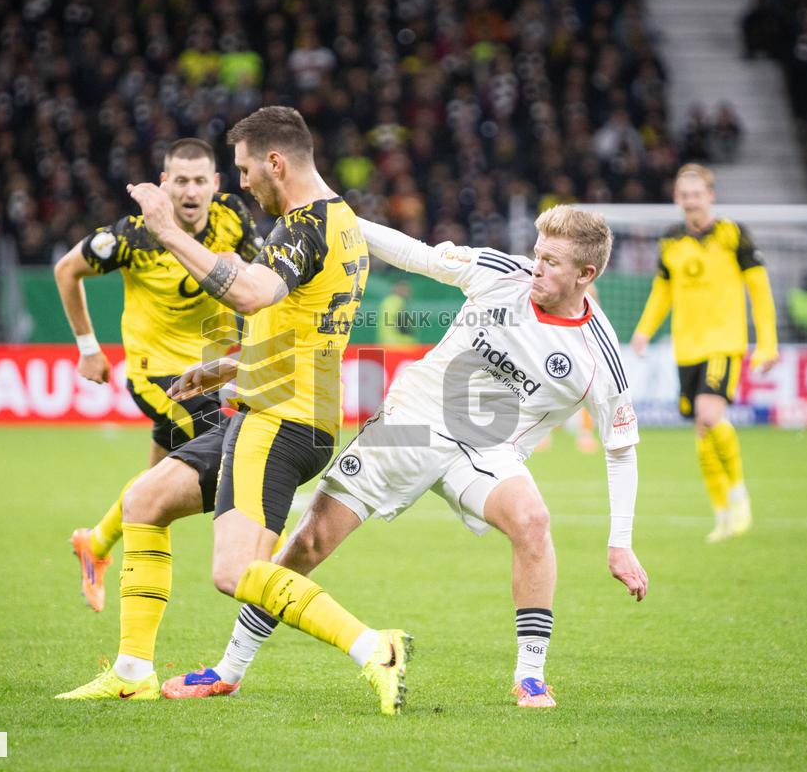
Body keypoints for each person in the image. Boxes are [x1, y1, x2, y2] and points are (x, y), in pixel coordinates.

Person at [164, 204, 647, 709]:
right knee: (308, 542)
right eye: (537, 252)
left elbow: (621, 448)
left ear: (586, 275)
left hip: (486, 449)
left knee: (532, 521)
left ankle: (530, 676)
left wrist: (620, 543)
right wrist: (338, 222)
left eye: (550, 261)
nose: (535, 266)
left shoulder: (598, 358)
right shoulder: (505, 274)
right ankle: (229, 669)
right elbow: (415, 255)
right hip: (412, 422)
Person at [56, 106, 412, 716]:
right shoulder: (341, 220)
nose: (241, 183)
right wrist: (223, 368)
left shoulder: (304, 228)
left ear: (276, 162)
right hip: (272, 405)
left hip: (282, 420)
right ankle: (132, 671)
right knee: (145, 500)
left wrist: (166, 228)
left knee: (234, 572)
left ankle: (373, 647)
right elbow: (301, 323)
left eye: (245, 170)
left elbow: (250, 293)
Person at [54, 138, 262, 612]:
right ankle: (258, 566)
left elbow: (255, 278)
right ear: (164, 185)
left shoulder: (233, 216)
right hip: (160, 377)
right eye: (180, 181)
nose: (190, 191)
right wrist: (88, 349)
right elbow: (66, 270)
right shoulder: (133, 235)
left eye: (199, 181)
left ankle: (97, 542)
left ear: (215, 184)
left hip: (209, 369)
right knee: (235, 449)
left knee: (153, 484)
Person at [630, 163, 779, 543]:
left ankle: (739, 493)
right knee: (701, 428)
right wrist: (644, 330)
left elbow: (759, 291)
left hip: (723, 342)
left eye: (697, 193)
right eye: (684, 193)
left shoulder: (733, 234)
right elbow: (662, 290)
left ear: (710, 196)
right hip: (686, 346)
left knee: (709, 415)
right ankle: (723, 513)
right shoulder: (671, 240)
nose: (690, 200)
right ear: (677, 198)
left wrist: (767, 344)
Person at [376, 279, 419, 344]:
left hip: (384, 342)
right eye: (406, 290)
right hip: (398, 344)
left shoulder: (386, 301)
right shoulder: (399, 302)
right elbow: (404, 325)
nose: (407, 293)